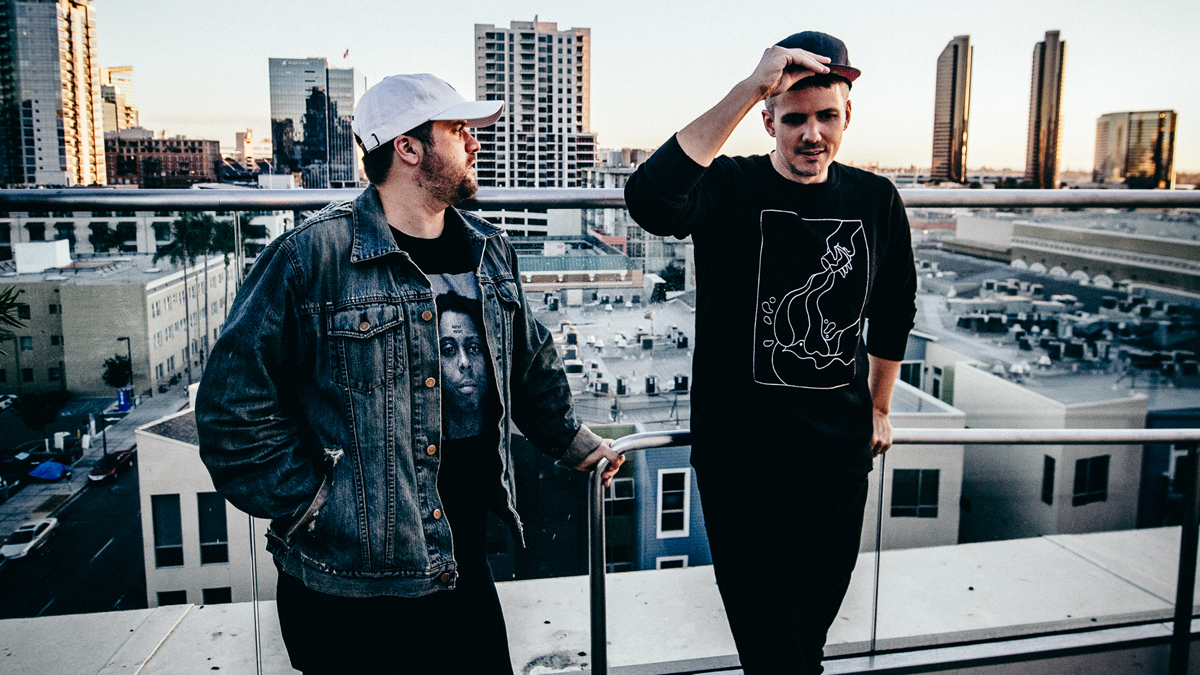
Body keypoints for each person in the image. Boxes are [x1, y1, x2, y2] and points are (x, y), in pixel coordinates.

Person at [195, 73, 623, 674]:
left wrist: (573, 442)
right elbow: (230, 409)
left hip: (461, 567)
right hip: (347, 589)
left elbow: (529, 364)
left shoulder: (490, 250)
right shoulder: (310, 258)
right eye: (458, 129)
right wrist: (318, 505)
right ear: (408, 148)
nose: (475, 143)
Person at [623, 32, 917, 674]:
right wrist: (751, 85)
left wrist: (880, 407)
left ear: (847, 116)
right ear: (767, 121)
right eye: (793, 118)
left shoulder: (875, 200)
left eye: (827, 116)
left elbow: (895, 310)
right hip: (742, 463)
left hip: (838, 460)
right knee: (773, 650)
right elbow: (648, 200)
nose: (812, 134)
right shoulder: (729, 185)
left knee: (804, 642)